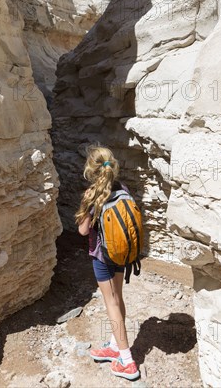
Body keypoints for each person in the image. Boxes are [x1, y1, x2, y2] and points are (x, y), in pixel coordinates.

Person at [75, 144, 140, 381]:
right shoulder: (123, 188)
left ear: (90, 170)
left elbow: (83, 231)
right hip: (121, 254)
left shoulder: (92, 195)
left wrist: (86, 212)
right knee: (118, 298)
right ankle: (115, 344)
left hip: (102, 257)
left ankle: (127, 360)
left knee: (111, 303)